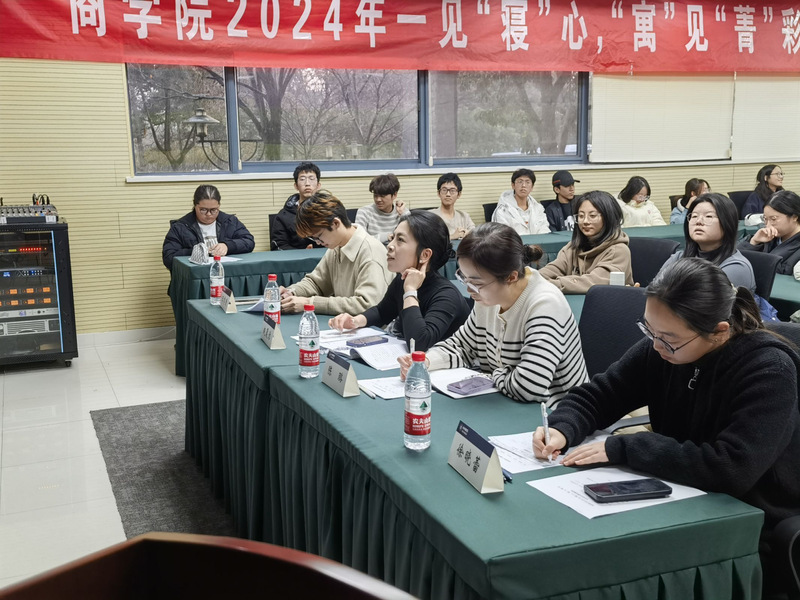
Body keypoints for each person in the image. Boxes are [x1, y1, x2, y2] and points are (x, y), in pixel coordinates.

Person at [532, 258, 800, 597]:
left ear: (719, 331)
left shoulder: (769, 369)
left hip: (750, 519)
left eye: (669, 339)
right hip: (679, 491)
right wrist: (563, 427)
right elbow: (602, 394)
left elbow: (731, 468)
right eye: (649, 330)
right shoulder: (661, 348)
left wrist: (625, 447)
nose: (657, 345)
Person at [397, 222, 588, 406]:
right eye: (463, 277)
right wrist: (425, 362)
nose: (469, 290)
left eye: (476, 283)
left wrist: (492, 375)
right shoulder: (488, 299)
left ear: (511, 277)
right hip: (507, 404)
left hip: (557, 413)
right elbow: (462, 346)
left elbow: (529, 387)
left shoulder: (545, 305)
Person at [329, 211, 470, 352]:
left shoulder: (446, 295)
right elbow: (382, 312)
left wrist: (410, 291)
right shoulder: (402, 279)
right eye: (393, 238)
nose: (390, 245)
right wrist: (355, 321)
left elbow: (419, 344)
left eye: (400, 240)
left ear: (425, 254)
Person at [280, 190, 393, 315]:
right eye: (314, 239)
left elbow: (367, 304)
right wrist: (291, 292)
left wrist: (309, 302)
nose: (318, 243)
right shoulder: (336, 247)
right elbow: (317, 283)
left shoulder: (371, 253)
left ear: (335, 223)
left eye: (319, 236)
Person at [538, 190, 634, 293]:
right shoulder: (573, 247)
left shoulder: (618, 250)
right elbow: (552, 269)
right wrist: (532, 279)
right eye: (581, 216)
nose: (585, 221)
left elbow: (594, 282)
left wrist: (549, 284)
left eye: (592, 216)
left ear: (609, 217)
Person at [660, 193, 756, 291]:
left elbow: (699, 300)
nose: (698, 221)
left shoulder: (736, 267)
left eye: (708, 216)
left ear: (727, 223)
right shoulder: (678, 258)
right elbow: (654, 292)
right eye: (694, 216)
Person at [162, 184, 254, 270]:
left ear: (219, 206)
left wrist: (228, 246)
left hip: (227, 272)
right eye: (203, 210)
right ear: (195, 205)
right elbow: (168, 257)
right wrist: (197, 252)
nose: (209, 214)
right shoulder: (181, 227)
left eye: (214, 210)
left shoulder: (229, 222)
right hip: (197, 274)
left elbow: (249, 241)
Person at [739, 190, 800, 275]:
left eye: (773, 219)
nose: (768, 225)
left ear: (794, 217)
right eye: (765, 219)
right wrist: (753, 242)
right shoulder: (766, 236)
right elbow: (736, 258)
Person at [272, 162, 324, 250]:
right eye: (302, 179)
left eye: (311, 179)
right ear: (296, 186)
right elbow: (278, 245)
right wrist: (301, 253)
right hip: (296, 257)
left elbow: (338, 239)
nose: (307, 183)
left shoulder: (329, 211)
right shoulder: (283, 216)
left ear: (318, 185)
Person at [491, 168, 550, 234]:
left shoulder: (538, 208)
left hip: (537, 241)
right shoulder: (503, 210)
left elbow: (544, 230)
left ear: (532, 187)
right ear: (513, 185)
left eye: (527, 182)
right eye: (520, 181)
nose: (523, 185)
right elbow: (502, 235)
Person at [355, 173, 407, 244]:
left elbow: (411, 237)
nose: (378, 200)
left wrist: (403, 214)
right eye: (375, 195)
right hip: (372, 250)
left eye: (382, 196)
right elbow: (359, 239)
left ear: (394, 195)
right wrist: (385, 237)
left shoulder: (402, 211)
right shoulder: (364, 212)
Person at [429, 172, 475, 240]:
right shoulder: (430, 216)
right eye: (444, 190)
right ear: (438, 193)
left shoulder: (464, 217)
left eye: (452, 191)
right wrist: (452, 236)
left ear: (459, 194)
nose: (448, 194)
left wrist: (468, 234)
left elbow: (476, 235)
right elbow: (427, 240)